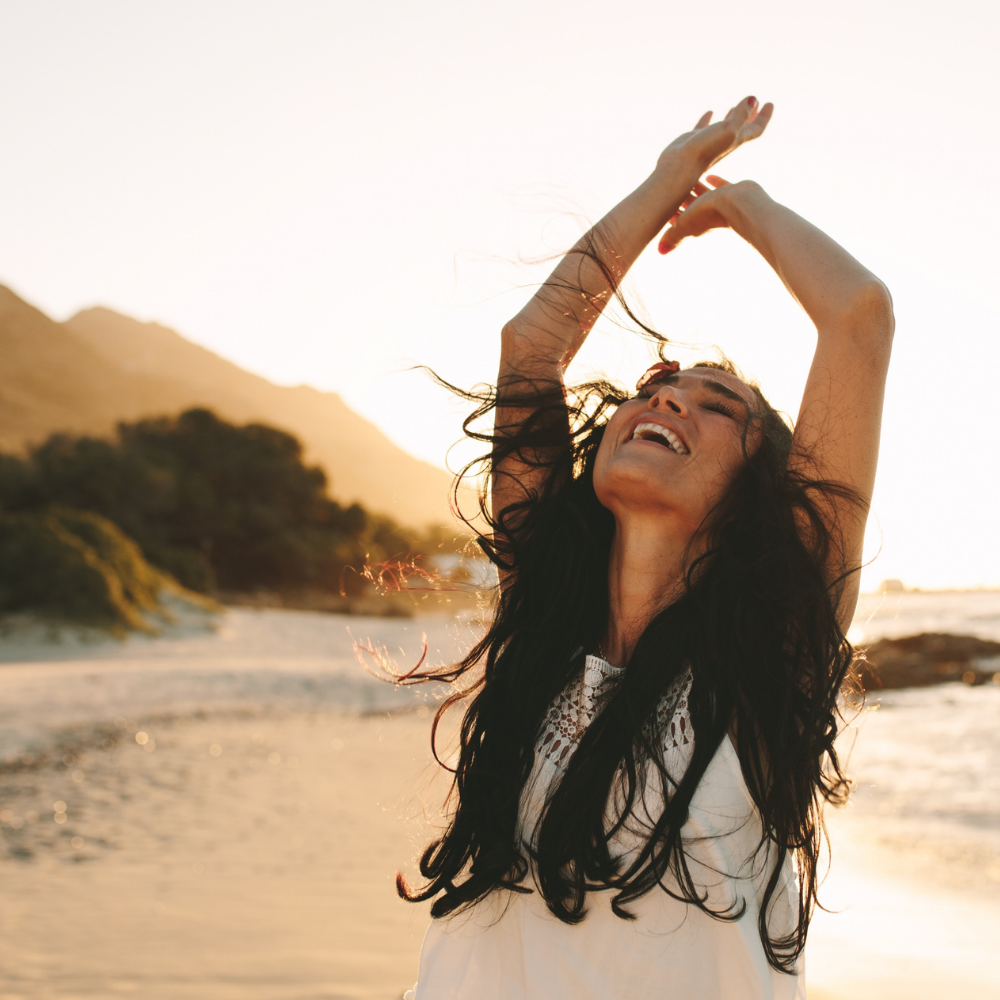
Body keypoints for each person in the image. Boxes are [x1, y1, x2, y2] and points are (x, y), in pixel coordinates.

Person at [398, 96, 894, 999]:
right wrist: (663, 180)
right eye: (659, 388)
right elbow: (531, 349)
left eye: (719, 408)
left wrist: (739, 202)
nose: (669, 401)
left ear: (756, 500)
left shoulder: (766, 662)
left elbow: (858, 315)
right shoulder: (545, 620)